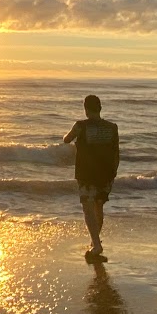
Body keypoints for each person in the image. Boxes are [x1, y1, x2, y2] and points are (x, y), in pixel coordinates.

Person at [63, 94, 119, 260]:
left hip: (87, 172)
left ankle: (97, 245)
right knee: (98, 207)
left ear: (86, 109)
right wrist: (113, 172)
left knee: (88, 208)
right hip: (106, 172)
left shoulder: (81, 126)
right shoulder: (112, 127)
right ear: (100, 108)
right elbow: (116, 152)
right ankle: (95, 243)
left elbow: (67, 140)